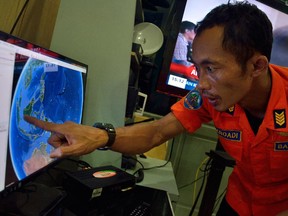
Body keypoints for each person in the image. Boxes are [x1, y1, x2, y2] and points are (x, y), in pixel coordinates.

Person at [24, 2, 288, 216]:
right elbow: (157, 132)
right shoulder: (208, 95)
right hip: (239, 202)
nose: (201, 84)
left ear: (257, 66)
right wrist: (100, 137)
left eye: (212, 68)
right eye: (198, 68)